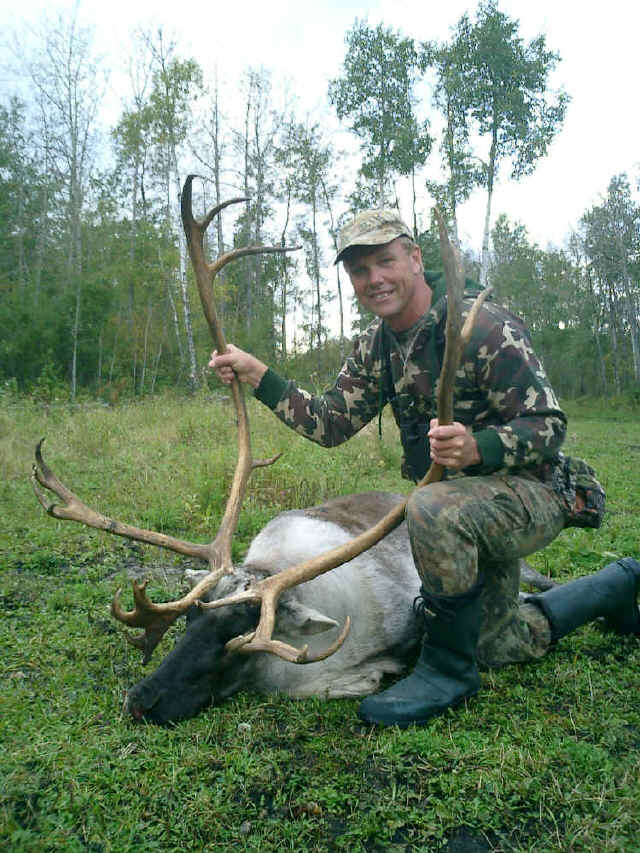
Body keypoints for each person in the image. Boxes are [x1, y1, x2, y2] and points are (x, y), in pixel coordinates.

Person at [209, 209, 639, 728]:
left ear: (414, 257)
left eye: (385, 262)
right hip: (462, 512)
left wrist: (478, 447)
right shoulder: (376, 345)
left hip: (532, 492)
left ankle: (446, 671)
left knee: (427, 506)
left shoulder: (484, 326)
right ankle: (615, 586)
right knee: (501, 643)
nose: (375, 280)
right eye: (360, 271)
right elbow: (331, 423)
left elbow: (549, 426)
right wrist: (260, 376)